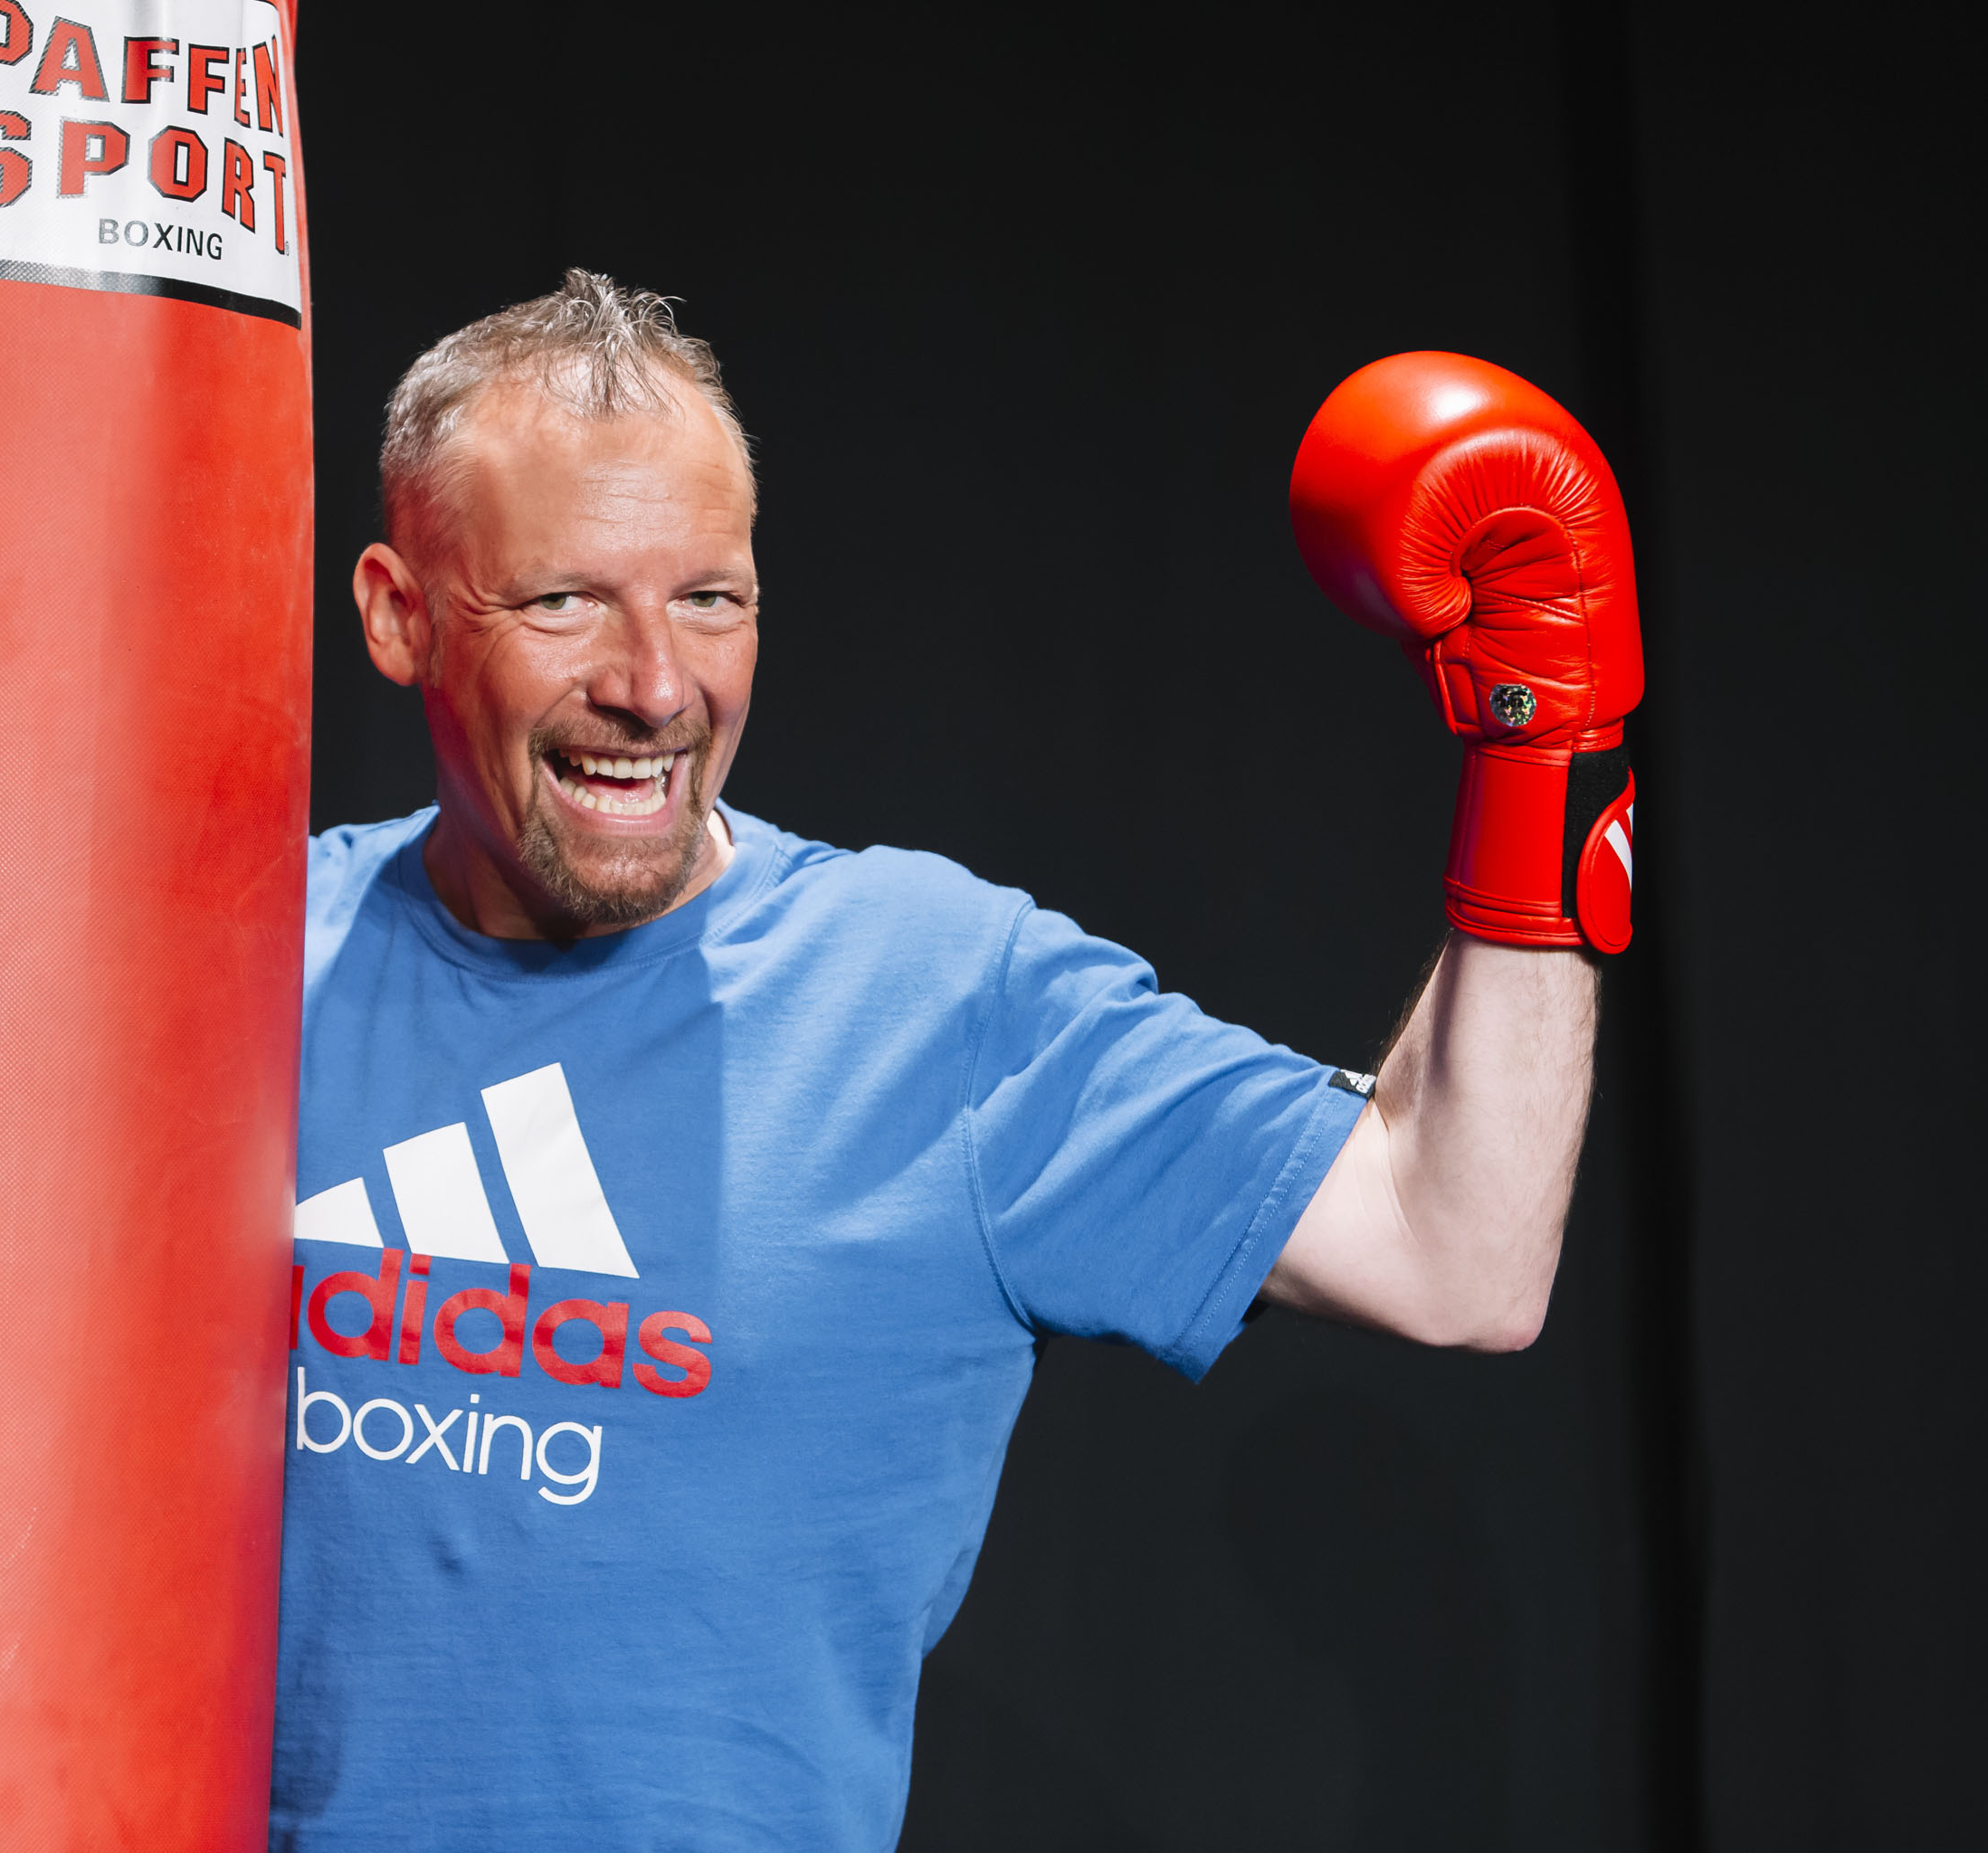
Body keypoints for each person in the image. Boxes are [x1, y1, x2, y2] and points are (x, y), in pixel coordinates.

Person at [273, 271, 1623, 1850]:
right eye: (565, 600)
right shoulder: (242, 960)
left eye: (709, 599)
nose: (655, 684)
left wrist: (1546, 743)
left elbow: (1457, 1254)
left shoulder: (932, 997)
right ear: (401, 614)